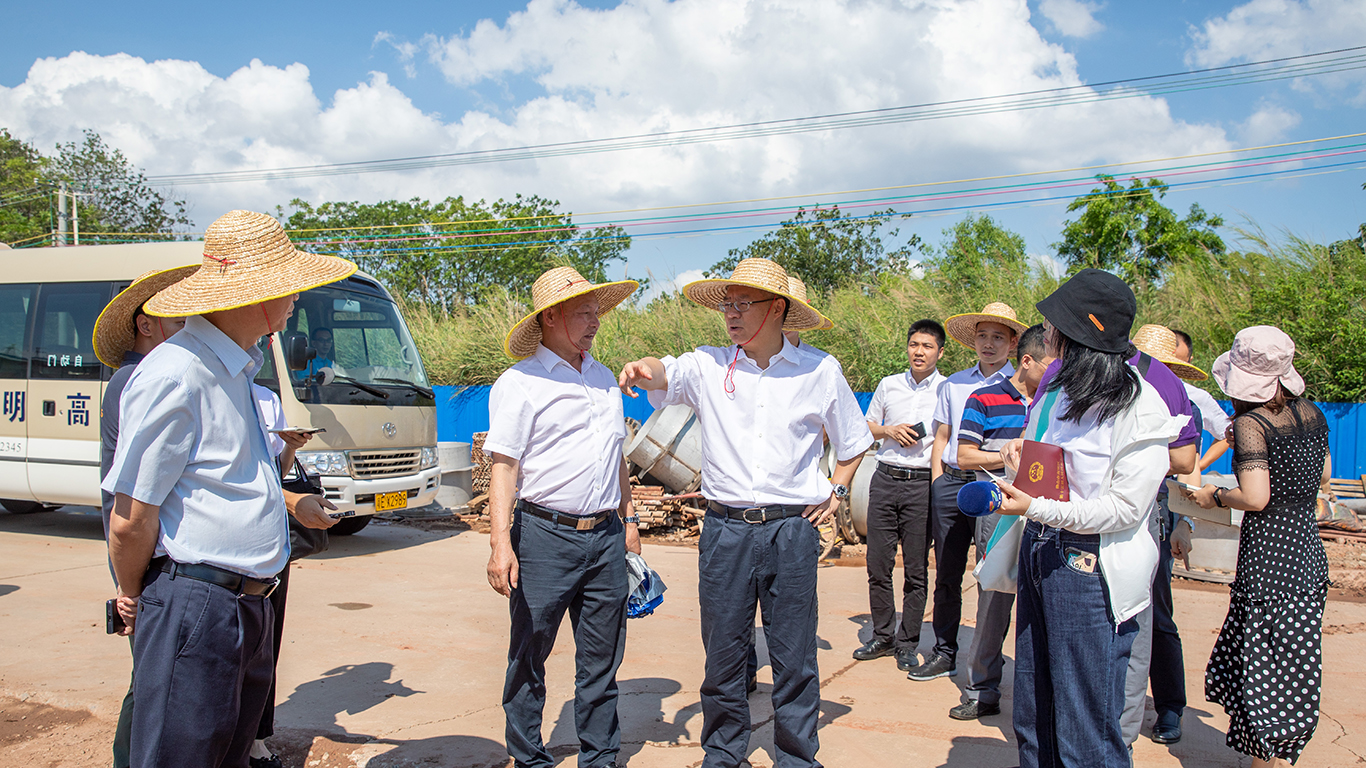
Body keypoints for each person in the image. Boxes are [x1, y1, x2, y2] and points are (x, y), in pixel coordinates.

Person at [102, 209, 357, 768]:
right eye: (290, 288)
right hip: (198, 605)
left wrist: (291, 504)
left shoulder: (234, 370)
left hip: (244, 604)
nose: (295, 301)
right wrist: (133, 595)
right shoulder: (178, 373)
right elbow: (130, 516)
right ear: (259, 297)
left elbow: (225, 481)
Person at [619, 257, 873, 768]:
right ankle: (723, 753)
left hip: (791, 531)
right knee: (724, 656)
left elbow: (854, 442)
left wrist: (837, 492)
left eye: (743, 304)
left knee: (795, 654)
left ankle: (797, 757)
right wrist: (643, 368)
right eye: (726, 305)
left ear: (777, 309)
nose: (731, 314)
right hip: (725, 531)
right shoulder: (708, 365)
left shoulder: (820, 371)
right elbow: (663, 370)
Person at [995, 268, 1188, 768]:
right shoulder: (1062, 390)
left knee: (1086, 730)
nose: (1049, 334)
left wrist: (1034, 506)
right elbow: (1059, 471)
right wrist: (1025, 455)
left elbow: (1125, 508)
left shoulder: (1139, 406)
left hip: (1088, 570)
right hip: (1042, 552)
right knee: (1035, 715)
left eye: (1057, 326)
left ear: (1082, 334)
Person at [484, 266, 641, 768]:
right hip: (543, 537)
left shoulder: (602, 378)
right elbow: (504, 469)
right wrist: (500, 544)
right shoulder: (520, 383)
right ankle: (530, 757)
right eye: (584, 312)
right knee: (530, 655)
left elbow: (616, 458)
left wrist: (630, 520)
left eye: (597, 312)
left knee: (602, 660)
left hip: (605, 538)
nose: (595, 321)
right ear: (551, 317)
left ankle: (601, 756)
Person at [1188, 326, 1329, 768]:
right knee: (1294, 663)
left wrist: (1213, 495)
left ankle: (1264, 761)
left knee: (1263, 662)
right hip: (1306, 552)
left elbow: (1254, 497)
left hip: (1270, 557)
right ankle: (1278, 756)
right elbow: (1324, 477)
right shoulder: (1312, 413)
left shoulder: (1252, 424)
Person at [92, 265, 196, 768]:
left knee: (156, 678)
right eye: (176, 322)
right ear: (145, 325)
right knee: (151, 682)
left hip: (145, 546)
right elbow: (132, 507)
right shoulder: (139, 380)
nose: (188, 332)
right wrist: (126, 585)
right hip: (144, 551)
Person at [908, 302, 1023, 682]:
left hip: (996, 489)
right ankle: (944, 652)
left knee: (993, 574)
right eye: (982, 336)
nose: (988, 344)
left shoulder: (1023, 387)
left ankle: (987, 663)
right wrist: (938, 482)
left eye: (997, 337)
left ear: (1013, 343)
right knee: (947, 573)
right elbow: (942, 436)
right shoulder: (953, 383)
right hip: (952, 485)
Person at [949, 323, 1050, 720]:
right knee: (994, 592)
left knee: (1044, 597)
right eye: (1050, 364)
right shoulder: (985, 397)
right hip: (997, 508)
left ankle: (1036, 689)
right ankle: (981, 687)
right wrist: (1009, 458)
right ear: (1027, 361)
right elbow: (964, 456)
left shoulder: (1055, 402)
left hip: (1046, 510)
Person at [1122, 324, 1209, 746]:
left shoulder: (1186, 399)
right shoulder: (1122, 386)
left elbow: (1191, 467)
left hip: (1160, 511)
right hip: (1126, 509)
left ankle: (1170, 706)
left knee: (1157, 612)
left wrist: (1184, 523)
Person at [247, 384, 336, 768]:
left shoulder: (264, 399)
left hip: (270, 546)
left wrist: (290, 448)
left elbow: (272, 473)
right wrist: (294, 503)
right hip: (229, 553)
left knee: (265, 647)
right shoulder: (206, 388)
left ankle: (255, 737)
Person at [855, 319, 946, 672]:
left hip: (922, 484)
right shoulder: (889, 386)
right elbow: (865, 427)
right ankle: (882, 635)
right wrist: (888, 430)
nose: (918, 352)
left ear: (940, 351)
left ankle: (907, 643)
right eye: (913, 345)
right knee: (877, 563)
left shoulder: (948, 390)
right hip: (885, 478)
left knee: (916, 569)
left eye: (926, 346)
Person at [1172, 329, 1234, 471]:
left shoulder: (1196, 396)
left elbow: (1226, 433)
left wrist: (1199, 466)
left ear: (1189, 362)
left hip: (1177, 483)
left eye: (1178, 364)